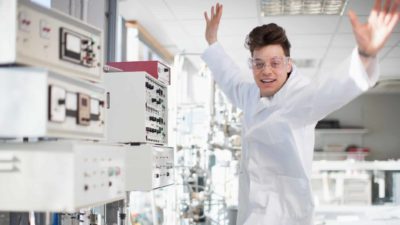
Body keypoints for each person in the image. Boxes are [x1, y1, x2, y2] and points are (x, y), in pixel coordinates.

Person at [202, 1, 399, 225]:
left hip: (287, 217)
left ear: (288, 64)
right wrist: (212, 42)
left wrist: (364, 55)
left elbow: (331, 90)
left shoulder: (300, 98)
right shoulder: (250, 95)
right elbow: (230, 79)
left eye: (275, 63)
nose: (266, 71)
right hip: (252, 214)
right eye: (258, 64)